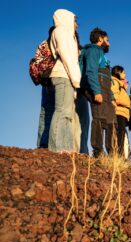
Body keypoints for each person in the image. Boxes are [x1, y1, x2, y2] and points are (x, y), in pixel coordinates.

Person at [48, 9, 81, 153]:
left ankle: (67, 148)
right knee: (62, 111)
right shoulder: (61, 31)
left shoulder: (68, 34)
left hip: (67, 75)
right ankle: (56, 148)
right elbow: (68, 56)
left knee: (67, 114)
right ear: (67, 19)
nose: (77, 25)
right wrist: (76, 79)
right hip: (63, 74)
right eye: (75, 21)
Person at [79, 27, 116, 158]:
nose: (109, 43)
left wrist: (111, 97)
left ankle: (112, 154)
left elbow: (108, 79)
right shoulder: (94, 50)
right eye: (107, 40)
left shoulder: (101, 55)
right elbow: (90, 71)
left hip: (105, 90)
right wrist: (96, 91)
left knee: (111, 120)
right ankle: (98, 152)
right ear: (100, 39)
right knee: (99, 119)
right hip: (98, 89)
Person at [36, 26, 56, 148]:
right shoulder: (53, 45)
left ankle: (40, 144)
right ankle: (45, 144)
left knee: (44, 113)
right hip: (52, 79)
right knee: (50, 112)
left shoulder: (43, 44)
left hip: (44, 81)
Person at [111, 65, 131, 155]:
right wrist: (124, 102)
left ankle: (120, 153)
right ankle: (119, 154)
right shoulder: (115, 81)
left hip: (122, 112)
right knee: (119, 133)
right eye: (123, 72)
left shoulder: (120, 84)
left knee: (121, 133)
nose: (125, 74)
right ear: (118, 72)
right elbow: (114, 94)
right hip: (119, 111)